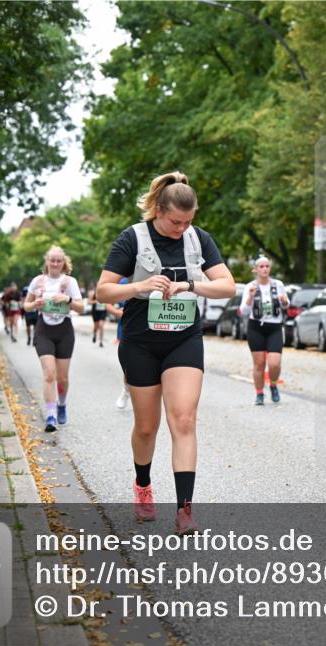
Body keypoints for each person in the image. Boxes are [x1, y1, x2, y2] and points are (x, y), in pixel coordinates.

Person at [95, 171, 235, 536]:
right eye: (176, 221)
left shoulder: (198, 239)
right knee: (146, 427)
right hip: (140, 341)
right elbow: (103, 292)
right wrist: (140, 285)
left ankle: (184, 510)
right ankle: (142, 485)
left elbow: (228, 286)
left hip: (183, 339)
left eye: (189, 221)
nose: (182, 228)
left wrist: (191, 284)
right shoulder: (132, 238)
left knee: (184, 420)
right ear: (159, 209)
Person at [23, 246, 84, 433]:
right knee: (49, 374)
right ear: (47, 261)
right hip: (44, 330)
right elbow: (26, 306)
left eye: (59, 260)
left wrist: (67, 300)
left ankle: (62, 405)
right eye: (52, 260)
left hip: (64, 331)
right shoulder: (38, 281)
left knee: (62, 378)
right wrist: (34, 304)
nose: (55, 263)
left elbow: (81, 308)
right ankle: (50, 416)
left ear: (64, 262)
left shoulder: (69, 282)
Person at [239, 256, 289, 405]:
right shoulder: (250, 286)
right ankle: (259, 394)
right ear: (255, 269)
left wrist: (285, 301)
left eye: (267, 266)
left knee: (274, 363)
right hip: (256, 327)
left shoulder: (278, 284)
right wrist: (250, 297)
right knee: (259, 364)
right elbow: (244, 311)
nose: (265, 269)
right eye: (261, 266)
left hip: (274, 327)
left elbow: (285, 305)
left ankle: (273, 384)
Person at [106, 277, 130, 409]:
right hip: (127, 326)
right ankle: (126, 390)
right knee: (129, 363)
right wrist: (117, 312)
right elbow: (108, 303)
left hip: (151, 327)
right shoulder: (123, 281)